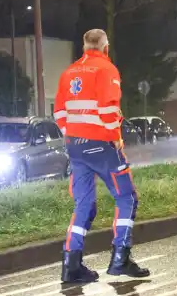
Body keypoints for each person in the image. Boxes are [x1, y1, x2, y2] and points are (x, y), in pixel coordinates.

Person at [53, 29, 149, 282]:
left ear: (84, 47)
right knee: (126, 197)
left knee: (84, 204)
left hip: (75, 147)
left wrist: (71, 133)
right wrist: (115, 136)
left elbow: (59, 112)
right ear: (105, 47)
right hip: (101, 146)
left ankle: (71, 264)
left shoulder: (69, 72)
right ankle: (120, 258)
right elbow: (108, 109)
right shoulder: (107, 69)